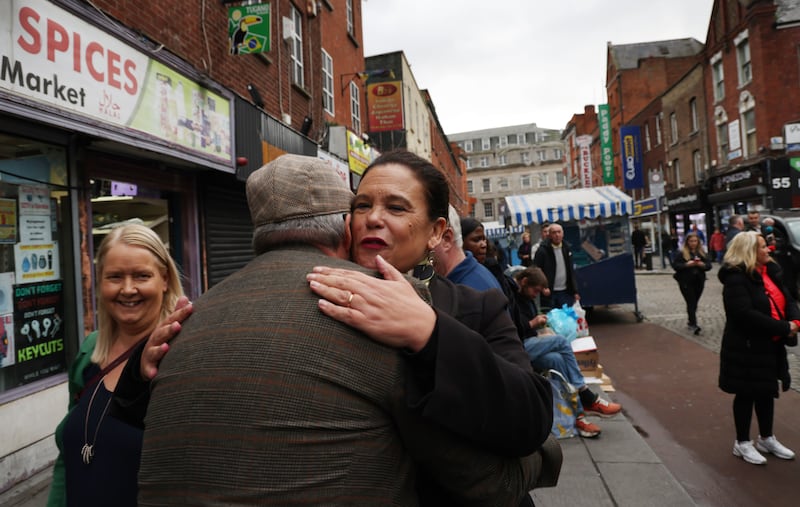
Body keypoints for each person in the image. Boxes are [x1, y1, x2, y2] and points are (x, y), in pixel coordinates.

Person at [137, 154, 542, 506]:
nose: (374, 218)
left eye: (397, 208)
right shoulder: (316, 302)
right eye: (361, 205)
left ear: (436, 232)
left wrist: (430, 332)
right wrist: (145, 370)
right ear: (346, 224)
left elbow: (529, 414)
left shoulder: (474, 305)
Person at [47, 224, 183, 507]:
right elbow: (67, 457)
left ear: (165, 279)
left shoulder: (183, 353)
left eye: (142, 276)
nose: (128, 289)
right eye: (115, 277)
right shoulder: (90, 352)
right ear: (100, 282)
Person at [718, 231, 799, 465]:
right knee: (746, 393)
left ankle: (767, 438)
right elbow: (744, 315)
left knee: (765, 391)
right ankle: (742, 443)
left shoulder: (771, 272)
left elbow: (788, 298)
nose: (768, 250)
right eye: (763, 247)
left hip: (770, 344)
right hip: (746, 346)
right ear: (750, 251)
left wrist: (794, 321)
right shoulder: (736, 278)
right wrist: (784, 327)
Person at [512, 267, 621, 438]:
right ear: (524, 282)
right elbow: (515, 328)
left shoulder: (526, 298)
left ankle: (578, 416)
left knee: (556, 359)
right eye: (535, 290)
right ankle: (585, 392)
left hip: (528, 344)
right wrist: (533, 324)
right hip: (517, 348)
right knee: (561, 342)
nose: (536, 295)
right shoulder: (512, 297)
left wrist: (541, 326)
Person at [433, 205, 501, 292]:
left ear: (447, 239)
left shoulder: (470, 290)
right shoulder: (463, 282)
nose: (484, 245)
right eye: (477, 240)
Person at [672, 232, 712, 335]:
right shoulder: (681, 253)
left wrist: (702, 265)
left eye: (695, 241)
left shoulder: (702, 252)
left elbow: (709, 265)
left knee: (695, 301)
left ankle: (691, 320)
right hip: (686, 281)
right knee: (691, 301)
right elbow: (676, 266)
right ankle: (693, 324)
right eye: (691, 241)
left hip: (699, 280)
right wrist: (686, 265)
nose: (693, 243)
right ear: (687, 242)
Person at [533, 222, 579, 310]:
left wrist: (575, 291)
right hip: (549, 293)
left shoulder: (567, 248)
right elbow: (536, 270)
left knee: (566, 318)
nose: (557, 235)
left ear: (563, 233)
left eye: (559, 232)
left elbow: (571, 271)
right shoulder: (542, 250)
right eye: (554, 233)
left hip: (565, 292)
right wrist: (543, 287)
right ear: (549, 235)